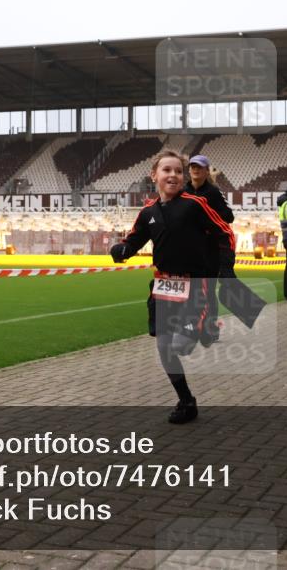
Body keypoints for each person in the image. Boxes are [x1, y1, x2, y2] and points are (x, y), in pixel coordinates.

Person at [111, 150, 235, 424]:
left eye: (178, 171)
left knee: (182, 343)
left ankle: (201, 327)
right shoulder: (148, 213)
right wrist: (122, 249)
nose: (174, 175)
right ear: (153, 175)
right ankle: (186, 400)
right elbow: (134, 239)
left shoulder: (195, 204)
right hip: (164, 285)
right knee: (165, 348)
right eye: (167, 170)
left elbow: (225, 232)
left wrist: (226, 268)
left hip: (196, 284)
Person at [184, 155, 234, 341]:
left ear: (206, 171)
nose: (195, 170)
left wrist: (207, 219)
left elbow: (229, 217)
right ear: (189, 170)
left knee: (208, 291)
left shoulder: (213, 192)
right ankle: (191, 328)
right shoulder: (183, 191)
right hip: (189, 250)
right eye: (193, 167)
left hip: (210, 250)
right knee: (191, 292)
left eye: (200, 167)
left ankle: (209, 329)